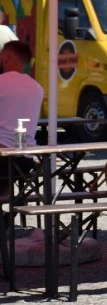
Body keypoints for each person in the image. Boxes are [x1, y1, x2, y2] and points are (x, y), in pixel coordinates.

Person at [0, 40, 44, 195]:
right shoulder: (36, 88)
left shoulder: (1, 83)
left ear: (6, 57)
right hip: (25, 159)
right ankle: (6, 215)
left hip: (3, 158)